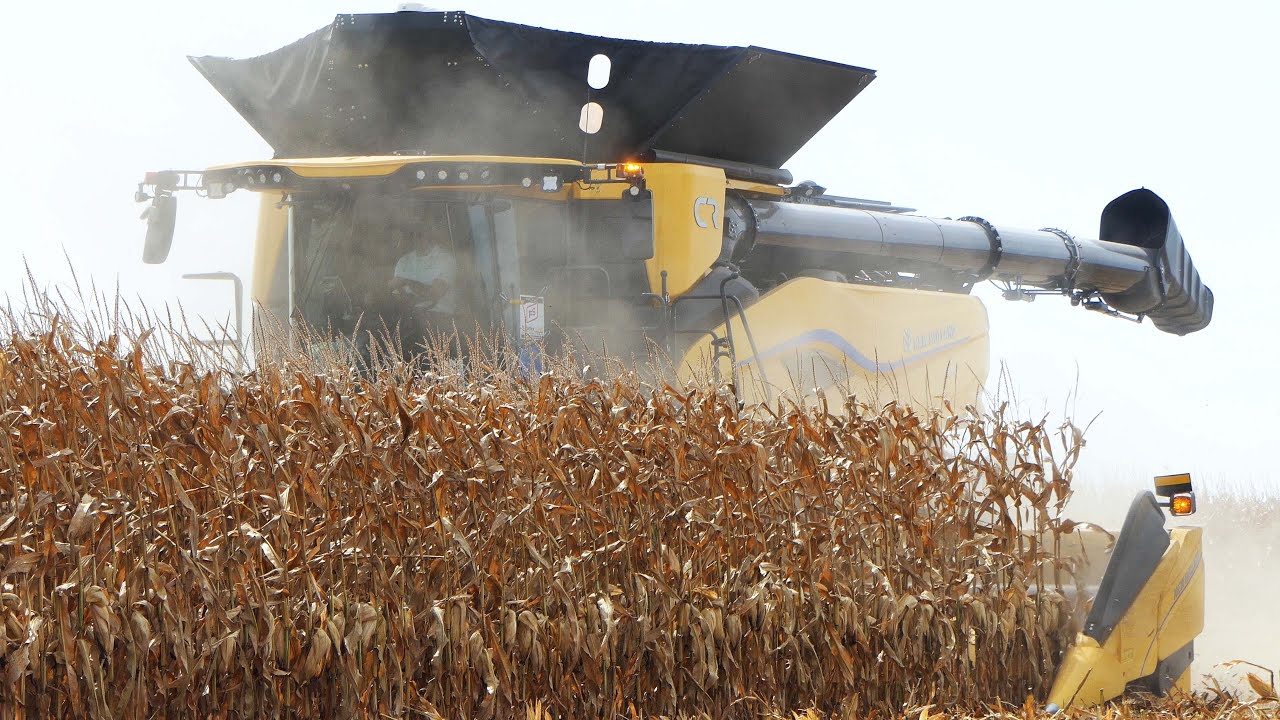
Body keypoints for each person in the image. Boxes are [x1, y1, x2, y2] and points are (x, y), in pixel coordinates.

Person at [389, 216, 460, 358]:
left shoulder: (445, 260)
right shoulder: (404, 261)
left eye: (420, 233)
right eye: (413, 234)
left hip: (440, 323)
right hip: (408, 323)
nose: (417, 237)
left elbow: (434, 294)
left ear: (430, 234)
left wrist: (407, 283)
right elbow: (395, 295)